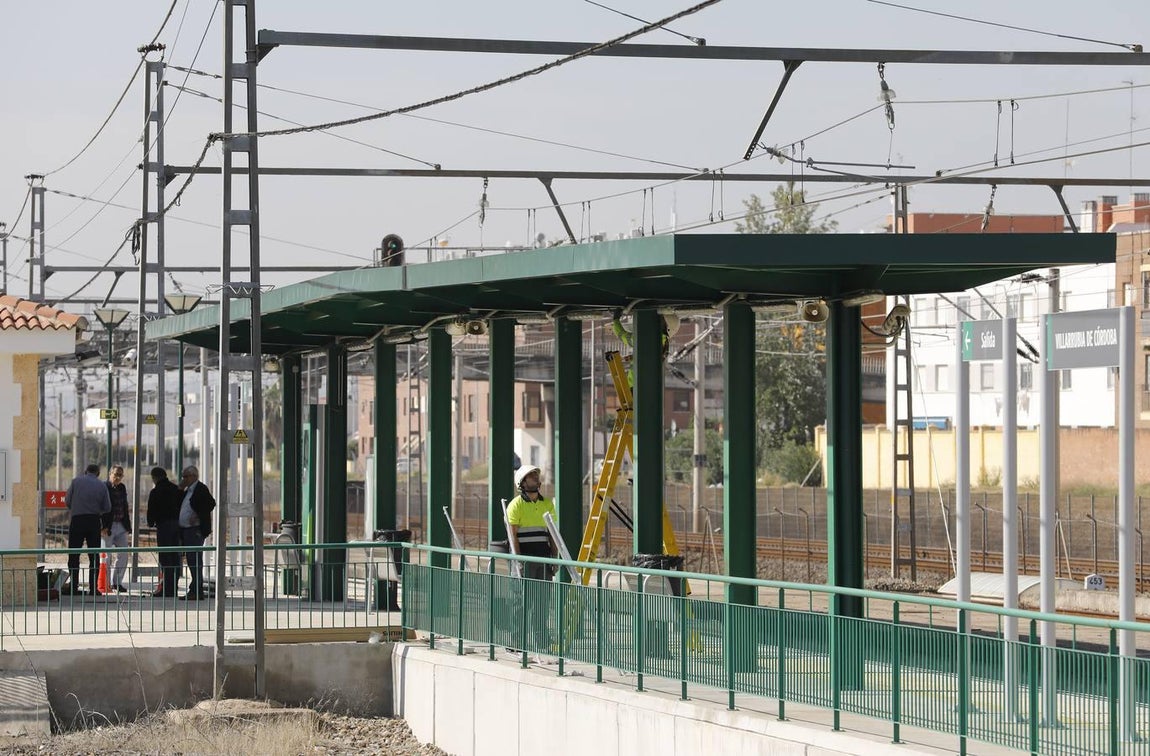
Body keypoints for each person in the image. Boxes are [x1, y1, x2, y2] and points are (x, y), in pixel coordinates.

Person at [505, 465, 556, 649]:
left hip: (544, 559)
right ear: (522, 482)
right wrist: (518, 561)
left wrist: (555, 558)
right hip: (524, 560)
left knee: (542, 601)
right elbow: (513, 537)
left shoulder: (547, 504)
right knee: (521, 602)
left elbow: (552, 533)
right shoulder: (515, 505)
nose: (536, 478)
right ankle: (516, 641)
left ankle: (541, 639)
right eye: (531, 476)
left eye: (536, 475)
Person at [64, 463, 111, 596]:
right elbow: (107, 507)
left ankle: (73, 587)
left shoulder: (75, 482)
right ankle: (93, 589)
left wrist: (76, 508)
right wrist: (97, 511)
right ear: (98, 473)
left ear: (85, 471)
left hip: (77, 520)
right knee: (94, 555)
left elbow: (67, 501)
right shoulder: (101, 485)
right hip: (93, 521)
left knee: (74, 555)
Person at [177, 466, 216, 600]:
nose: (184, 479)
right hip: (186, 529)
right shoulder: (187, 490)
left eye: (186, 476)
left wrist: (199, 515)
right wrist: (179, 489)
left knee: (194, 559)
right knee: (191, 559)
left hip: (195, 530)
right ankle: (195, 588)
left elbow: (211, 503)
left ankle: (196, 590)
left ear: (193, 476)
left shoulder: (200, 488)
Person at [146, 467, 182, 598]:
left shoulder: (155, 492)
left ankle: (167, 589)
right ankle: (174, 588)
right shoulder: (175, 489)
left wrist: (151, 522)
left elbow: (151, 511)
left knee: (165, 558)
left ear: (154, 478)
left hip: (163, 527)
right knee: (175, 558)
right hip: (177, 526)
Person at [101, 465, 132, 593]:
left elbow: (125, 506)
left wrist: (128, 526)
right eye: (116, 474)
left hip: (121, 525)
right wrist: (102, 526)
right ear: (110, 474)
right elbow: (100, 507)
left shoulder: (122, 487)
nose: (118, 477)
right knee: (106, 556)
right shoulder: (104, 487)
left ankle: (117, 582)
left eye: (120, 475)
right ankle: (106, 583)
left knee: (124, 554)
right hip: (108, 526)